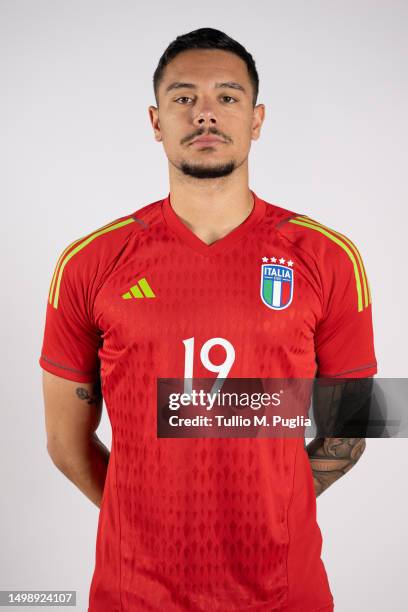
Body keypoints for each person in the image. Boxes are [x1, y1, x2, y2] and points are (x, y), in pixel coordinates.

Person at [39, 27, 377, 612]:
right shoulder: (89, 263)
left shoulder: (328, 257)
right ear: (155, 120)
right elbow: (66, 444)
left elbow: (352, 425)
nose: (204, 114)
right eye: (183, 98)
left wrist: (278, 506)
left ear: (257, 118)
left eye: (227, 96)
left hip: (284, 590)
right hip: (133, 593)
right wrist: (145, 523)